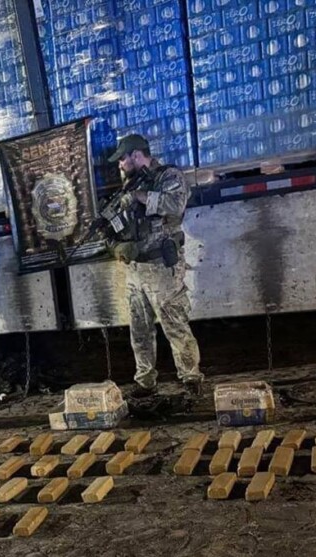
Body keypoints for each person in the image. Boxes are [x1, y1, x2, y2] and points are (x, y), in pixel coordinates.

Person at [105, 133, 203, 396]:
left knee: (174, 324)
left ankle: (191, 378)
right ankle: (145, 381)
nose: (120, 165)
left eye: (123, 159)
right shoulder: (128, 186)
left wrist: (139, 196)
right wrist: (117, 246)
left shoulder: (168, 176)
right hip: (136, 269)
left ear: (137, 155)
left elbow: (175, 205)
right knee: (139, 329)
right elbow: (117, 226)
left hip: (162, 267)